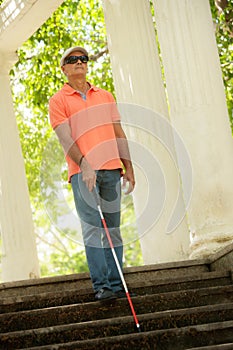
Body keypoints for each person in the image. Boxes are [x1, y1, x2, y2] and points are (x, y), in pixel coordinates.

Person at [49, 46, 135, 300]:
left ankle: (117, 284)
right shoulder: (58, 100)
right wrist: (85, 164)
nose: (80, 62)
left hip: (111, 170)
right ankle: (102, 286)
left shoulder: (105, 96)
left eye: (83, 59)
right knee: (92, 228)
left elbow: (118, 133)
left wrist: (128, 166)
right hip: (82, 172)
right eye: (73, 59)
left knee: (113, 229)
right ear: (63, 68)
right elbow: (65, 139)